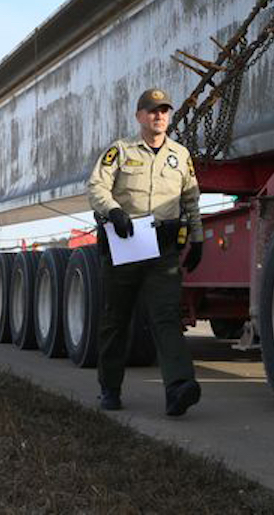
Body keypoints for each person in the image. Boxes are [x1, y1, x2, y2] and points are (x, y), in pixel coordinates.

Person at [87, 87, 204, 416]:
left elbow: (191, 199)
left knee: (166, 316)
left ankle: (179, 388)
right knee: (116, 319)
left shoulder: (180, 155)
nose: (159, 116)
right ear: (139, 116)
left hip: (162, 250)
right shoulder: (120, 151)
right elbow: (96, 186)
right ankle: (110, 388)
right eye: (152, 111)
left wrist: (197, 238)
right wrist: (113, 211)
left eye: (164, 110)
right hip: (124, 245)